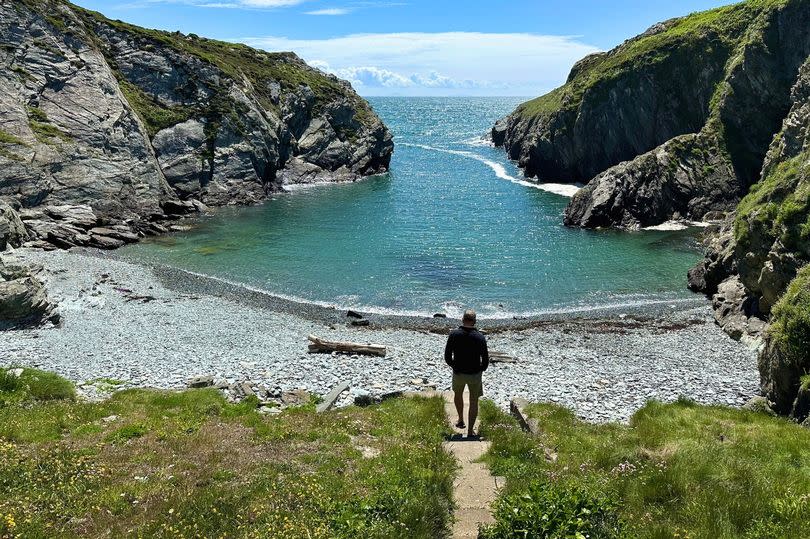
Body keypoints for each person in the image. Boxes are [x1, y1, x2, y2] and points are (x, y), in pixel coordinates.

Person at [444, 309, 489, 437]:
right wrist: (481, 369)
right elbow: (485, 359)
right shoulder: (480, 337)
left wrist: (454, 366)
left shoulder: (454, 335)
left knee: (458, 395)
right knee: (474, 401)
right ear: (474, 322)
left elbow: (447, 356)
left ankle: (461, 419)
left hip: (458, 373)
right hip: (475, 374)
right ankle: (470, 431)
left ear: (462, 319)